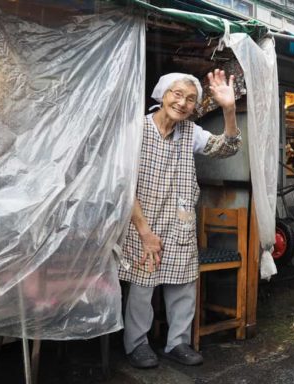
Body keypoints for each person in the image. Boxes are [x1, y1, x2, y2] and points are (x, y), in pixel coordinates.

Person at [119, 69, 241, 368]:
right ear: (162, 94)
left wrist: (229, 110)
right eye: (177, 94)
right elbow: (121, 185)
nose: (183, 103)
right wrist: (145, 232)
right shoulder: (136, 129)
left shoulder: (192, 133)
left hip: (180, 222)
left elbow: (228, 148)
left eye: (190, 99)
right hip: (140, 222)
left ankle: (178, 343)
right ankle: (137, 344)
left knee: (183, 284)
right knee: (142, 284)